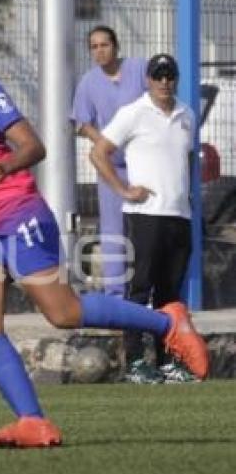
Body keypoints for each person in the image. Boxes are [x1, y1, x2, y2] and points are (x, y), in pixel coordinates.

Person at [0, 0, 208, 448]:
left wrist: (4, 163)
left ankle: (169, 323)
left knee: (62, 313)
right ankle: (32, 421)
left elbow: (34, 146)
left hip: (15, 209)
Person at [91, 53, 197, 383]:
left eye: (170, 75)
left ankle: (168, 361)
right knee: (139, 292)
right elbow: (98, 152)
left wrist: (186, 193)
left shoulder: (186, 114)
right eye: (158, 75)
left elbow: (188, 157)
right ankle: (136, 361)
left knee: (170, 294)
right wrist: (123, 190)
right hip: (144, 216)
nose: (164, 81)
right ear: (148, 79)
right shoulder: (133, 112)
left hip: (178, 215)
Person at [70, 25, 154, 383]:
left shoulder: (139, 69)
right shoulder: (89, 82)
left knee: (149, 229)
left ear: (117, 46)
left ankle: (151, 297)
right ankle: (117, 298)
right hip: (111, 166)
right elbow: (80, 122)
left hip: (145, 163)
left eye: (105, 45)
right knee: (113, 233)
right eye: (94, 46)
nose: (100, 51)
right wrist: (104, 140)